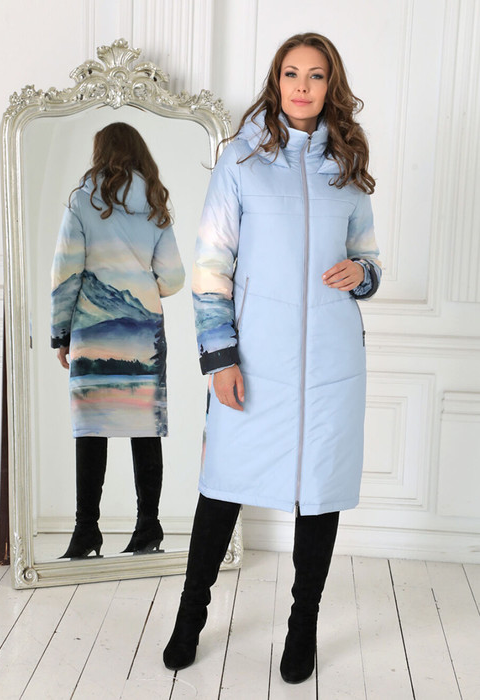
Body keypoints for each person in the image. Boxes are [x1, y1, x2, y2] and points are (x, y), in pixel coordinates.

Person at [163, 33, 381, 683]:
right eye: (291, 73)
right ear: (276, 81)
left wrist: (361, 274)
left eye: (315, 75)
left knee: (319, 495)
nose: (302, 86)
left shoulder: (347, 165)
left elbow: (368, 258)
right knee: (221, 488)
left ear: (330, 85)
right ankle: (189, 616)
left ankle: (302, 625)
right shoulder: (240, 159)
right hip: (254, 359)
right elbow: (211, 268)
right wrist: (219, 357)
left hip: (331, 364)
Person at [50, 122, 185, 559]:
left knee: (91, 430)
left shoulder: (83, 201)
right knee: (146, 430)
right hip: (144, 334)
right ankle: (148, 527)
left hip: (92, 333)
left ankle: (86, 531)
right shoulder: (155, 204)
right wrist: (142, 286)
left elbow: (65, 273)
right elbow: (174, 278)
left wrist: (60, 333)